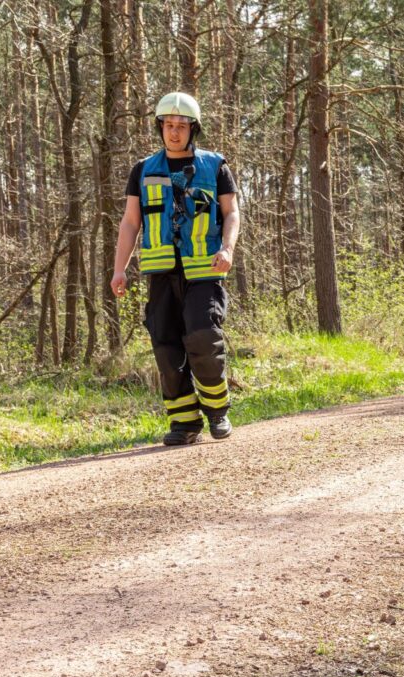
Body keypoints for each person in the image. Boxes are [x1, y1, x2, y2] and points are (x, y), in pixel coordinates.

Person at [110, 92, 241, 446]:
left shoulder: (215, 167)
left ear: (193, 129)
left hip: (204, 270)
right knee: (166, 347)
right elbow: (130, 222)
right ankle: (184, 423)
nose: (174, 132)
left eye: (181, 126)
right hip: (161, 273)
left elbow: (231, 212)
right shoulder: (143, 169)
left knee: (202, 336)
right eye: (168, 125)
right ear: (160, 127)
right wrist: (119, 269)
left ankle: (218, 412)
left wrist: (228, 249)